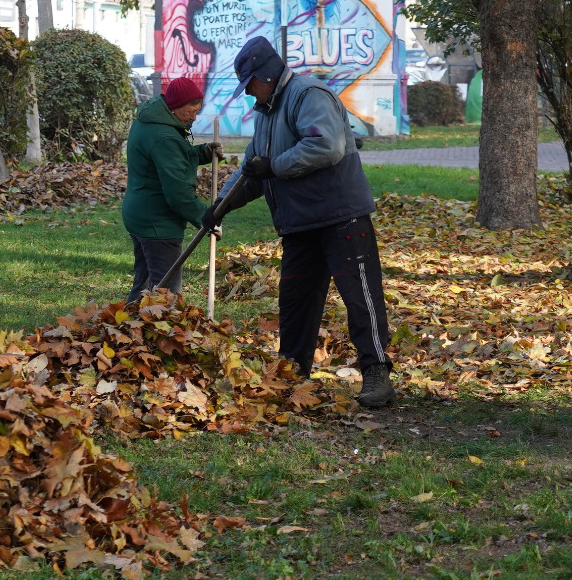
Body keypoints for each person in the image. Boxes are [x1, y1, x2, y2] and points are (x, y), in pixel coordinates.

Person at [212, 37, 394, 408]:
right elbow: (252, 168)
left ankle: (376, 372)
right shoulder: (266, 114)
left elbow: (325, 146)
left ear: (266, 75)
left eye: (250, 84)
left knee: (361, 298)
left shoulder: (308, 94)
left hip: (339, 216)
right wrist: (220, 205)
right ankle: (292, 373)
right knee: (295, 301)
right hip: (300, 224)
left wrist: (274, 167)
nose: (249, 94)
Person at [120, 76, 219, 304]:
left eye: (197, 111)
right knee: (164, 296)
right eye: (190, 111)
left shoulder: (152, 120)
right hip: (158, 222)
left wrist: (202, 152)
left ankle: (127, 333)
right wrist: (207, 217)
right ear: (174, 107)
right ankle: (152, 337)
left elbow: (168, 159)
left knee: (144, 286)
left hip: (140, 213)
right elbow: (178, 192)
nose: (194, 117)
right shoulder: (163, 135)